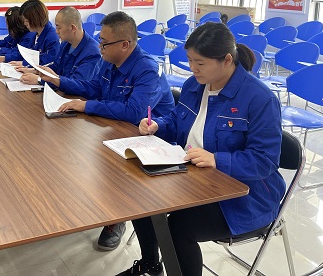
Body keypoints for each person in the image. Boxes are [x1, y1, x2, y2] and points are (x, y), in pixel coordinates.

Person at [116, 22, 285, 276]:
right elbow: (177, 122)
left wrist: (217, 159)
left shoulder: (259, 98)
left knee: (179, 228)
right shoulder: (194, 85)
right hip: (196, 177)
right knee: (138, 197)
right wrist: (157, 125)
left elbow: (265, 161)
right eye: (190, 60)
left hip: (245, 196)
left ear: (227, 60)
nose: (192, 68)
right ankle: (150, 263)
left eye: (200, 63)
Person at [39, 11, 174, 251]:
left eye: (104, 42)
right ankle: (92, 205)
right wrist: (58, 80)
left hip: (148, 140)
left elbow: (134, 112)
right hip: (116, 127)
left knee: (105, 164)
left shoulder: (147, 70)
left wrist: (87, 106)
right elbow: (93, 88)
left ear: (124, 45)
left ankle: (117, 216)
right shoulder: (109, 60)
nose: (99, 46)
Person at [19, 6, 100, 84]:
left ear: (72, 28)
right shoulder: (66, 43)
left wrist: (40, 80)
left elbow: (77, 84)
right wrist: (36, 71)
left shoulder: (93, 53)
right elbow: (56, 66)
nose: (56, 31)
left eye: (59, 28)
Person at [0, 0, 59, 65]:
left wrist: (24, 64)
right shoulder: (35, 35)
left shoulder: (52, 38)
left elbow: (47, 62)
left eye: (27, 21)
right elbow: (25, 54)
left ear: (35, 19)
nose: (25, 24)